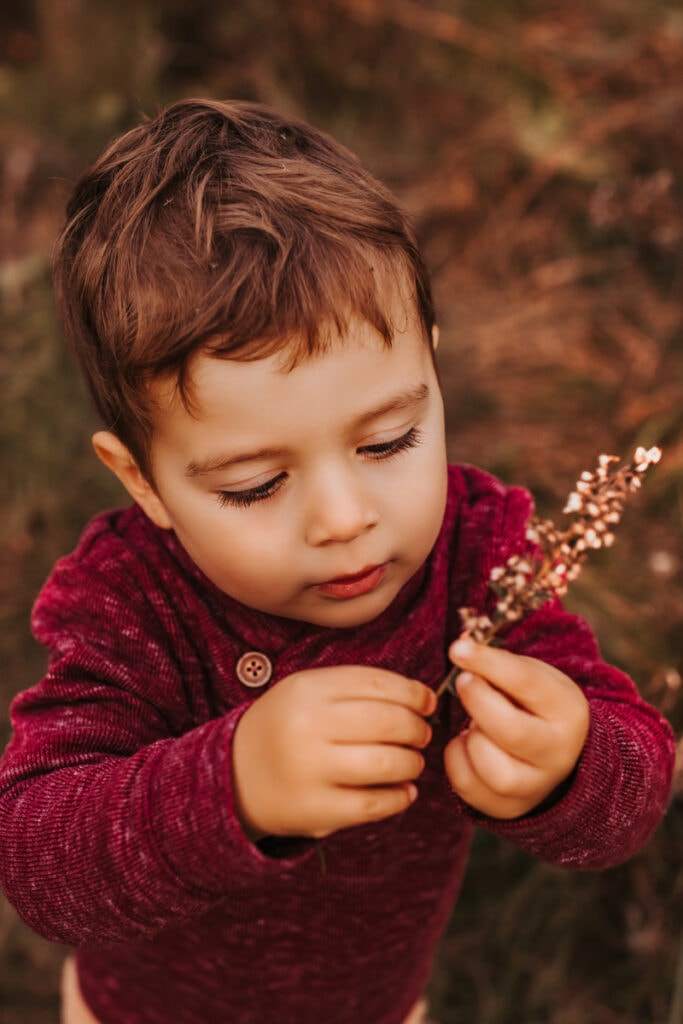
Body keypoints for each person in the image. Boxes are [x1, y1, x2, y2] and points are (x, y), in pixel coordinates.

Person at [0, 98, 674, 1024]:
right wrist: (232, 782)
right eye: (251, 486)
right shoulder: (131, 605)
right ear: (143, 481)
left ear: (431, 376)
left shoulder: (476, 555)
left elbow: (633, 787)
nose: (345, 519)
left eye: (388, 440)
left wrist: (569, 762)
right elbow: (40, 864)